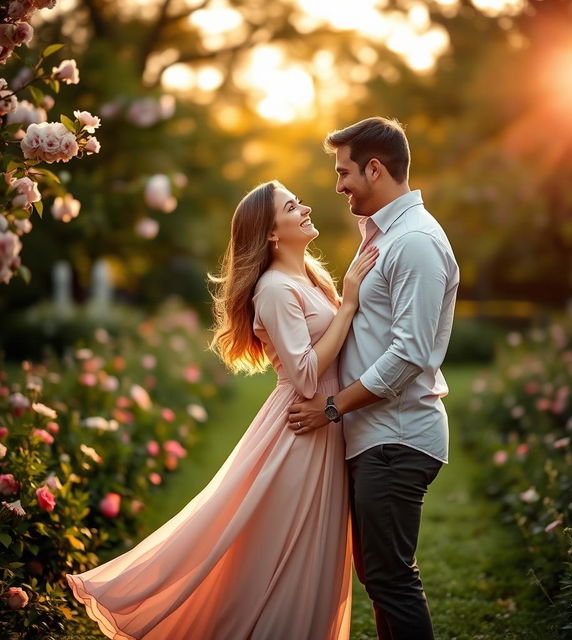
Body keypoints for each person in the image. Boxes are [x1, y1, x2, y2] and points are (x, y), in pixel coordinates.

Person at [66, 180, 379, 640]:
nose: (306, 207)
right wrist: (349, 303)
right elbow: (307, 375)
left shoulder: (309, 275)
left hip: (326, 424)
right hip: (300, 429)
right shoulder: (273, 289)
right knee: (289, 554)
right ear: (272, 233)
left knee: (317, 553)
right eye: (293, 206)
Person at [288, 117, 460, 640]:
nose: (338, 186)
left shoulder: (415, 243)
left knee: (391, 580)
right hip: (378, 437)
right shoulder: (384, 237)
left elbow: (409, 354)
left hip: (398, 437)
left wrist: (331, 407)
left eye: (344, 173)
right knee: (382, 578)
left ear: (376, 168)